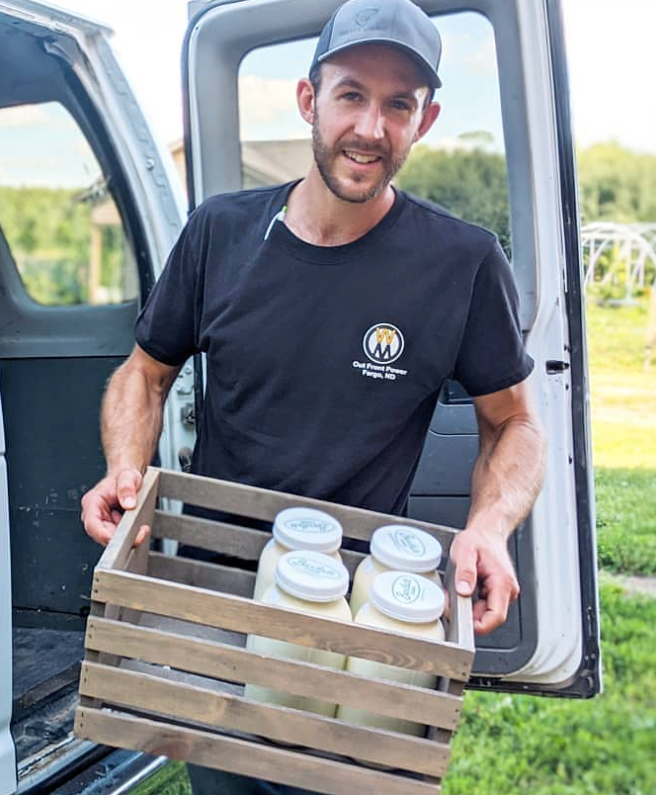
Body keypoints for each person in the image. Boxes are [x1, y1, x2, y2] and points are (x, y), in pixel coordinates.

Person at [80, 0, 546, 792]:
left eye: (397, 104)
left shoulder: (461, 262)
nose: (370, 126)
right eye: (351, 94)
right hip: (217, 596)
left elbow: (514, 423)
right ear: (308, 100)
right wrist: (124, 468)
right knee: (225, 779)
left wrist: (490, 527)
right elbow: (144, 371)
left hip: (359, 612)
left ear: (423, 120)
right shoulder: (218, 233)